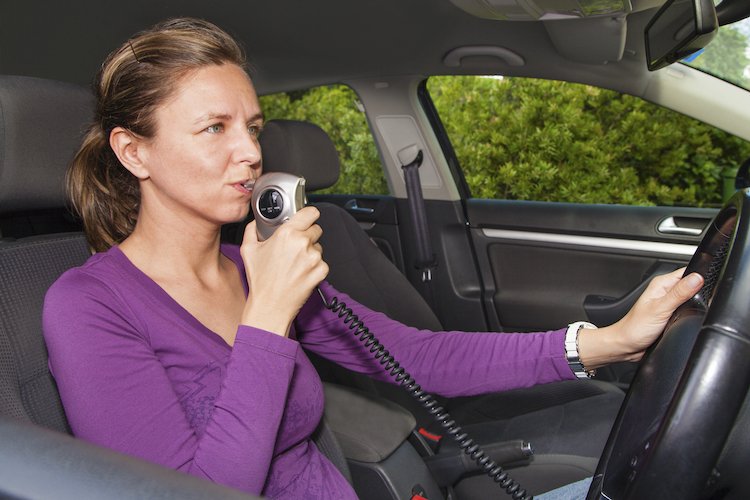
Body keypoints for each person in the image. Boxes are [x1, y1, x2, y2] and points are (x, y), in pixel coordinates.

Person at [42, 17, 704, 500]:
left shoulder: (252, 265)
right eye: (215, 128)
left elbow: (421, 357)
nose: (249, 152)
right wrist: (268, 317)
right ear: (135, 152)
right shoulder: (89, 306)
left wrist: (605, 343)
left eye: (252, 127)